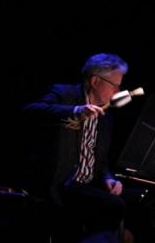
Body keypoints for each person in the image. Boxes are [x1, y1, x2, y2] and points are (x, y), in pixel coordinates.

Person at [22, 53, 133, 242]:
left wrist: (108, 178)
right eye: (115, 85)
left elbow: (102, 161)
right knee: (115, 206)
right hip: (61, 183)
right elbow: (30, 111)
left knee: (138, 203)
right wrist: (75, 111)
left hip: (87, 185)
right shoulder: (64, 94)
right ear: (95, 81)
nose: (117, 91)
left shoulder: (106, 117)